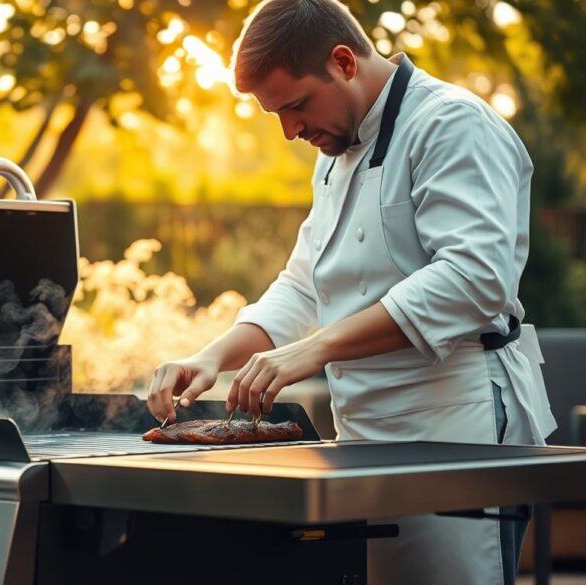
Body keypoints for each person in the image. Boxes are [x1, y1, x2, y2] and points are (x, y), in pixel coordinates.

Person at [146, 1, 557, 584]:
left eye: (294, 106)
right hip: (366, 436)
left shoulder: (451, 123)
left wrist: (317, 348)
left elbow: (475, 277)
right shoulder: (335, 154)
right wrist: (211, 356)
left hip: (453, 425)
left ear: (343, 62)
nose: (289, 131)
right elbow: (302, 286)